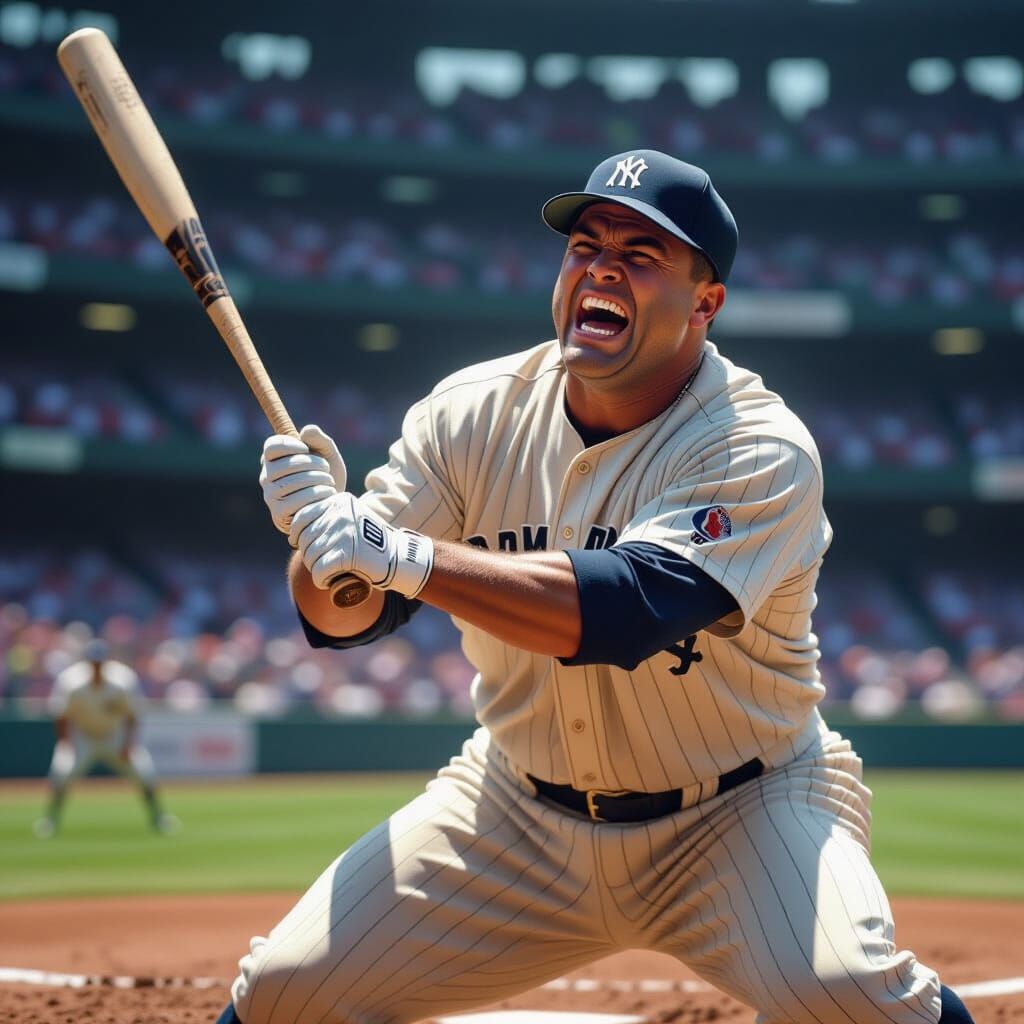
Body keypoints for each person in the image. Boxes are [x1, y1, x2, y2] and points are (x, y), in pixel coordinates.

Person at [219, 150, 974, 1024]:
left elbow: (623, 610)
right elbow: (347, 617)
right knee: (282, 993)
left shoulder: (757, 444)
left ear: (705, 303)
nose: (602, 267)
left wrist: (399, 553)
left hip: (741, 812)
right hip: (514, 811)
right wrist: (318, 537)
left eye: (641, 254)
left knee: (846, 995)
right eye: (586, 246)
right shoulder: (471, 413)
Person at [34, 638, 178, 837]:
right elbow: (61, 716)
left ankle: (159, 817)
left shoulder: (122, 680)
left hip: (114, 735)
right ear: (87, 662)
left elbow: (132, 715)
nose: (97, 667)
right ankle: (50, 820)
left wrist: (128, 745)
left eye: (100, 662)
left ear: (106, 661)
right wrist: (66, 743)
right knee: (62, 772)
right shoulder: (71, 681)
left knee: (144, 772)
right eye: (93, 662)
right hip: (82, 736)